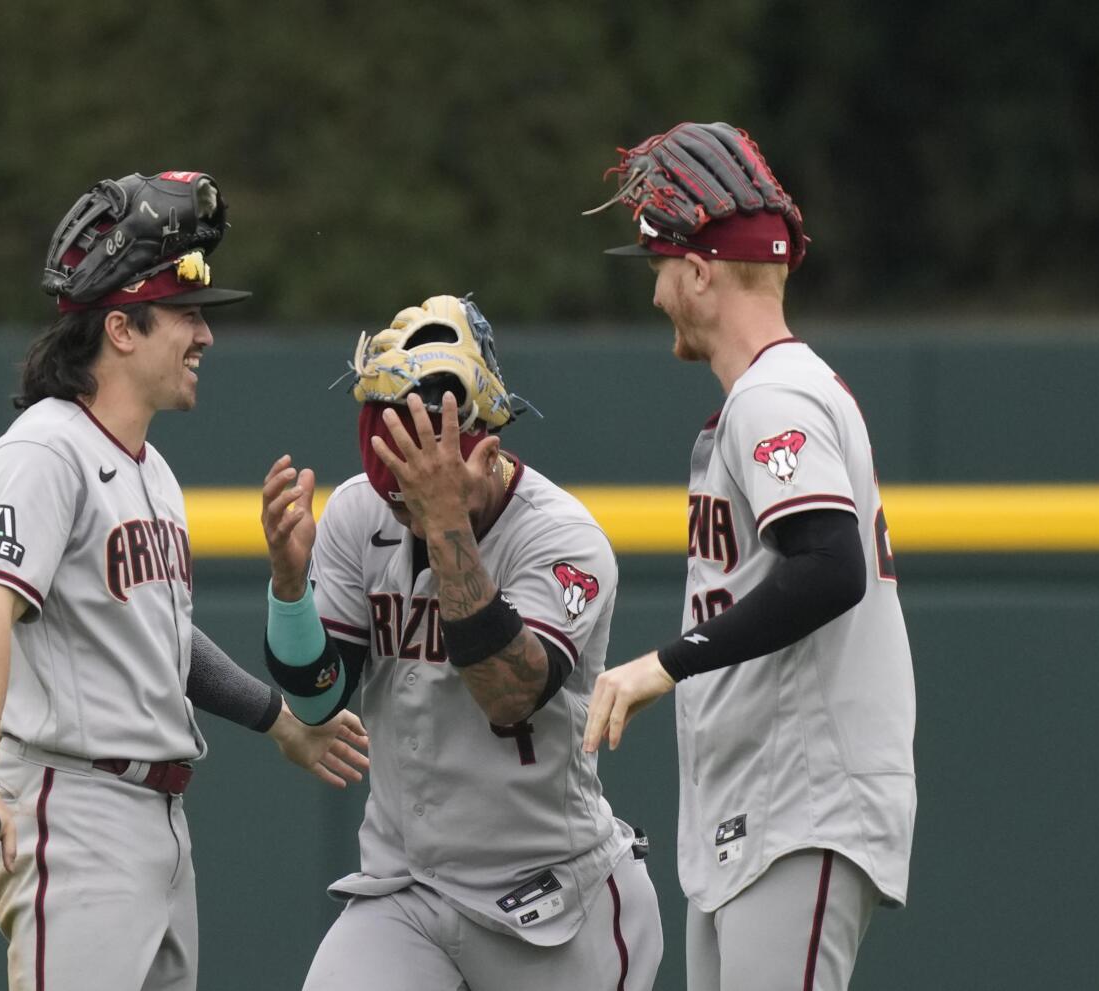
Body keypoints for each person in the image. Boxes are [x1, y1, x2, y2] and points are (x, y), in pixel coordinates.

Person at [0, 170, 369, 991]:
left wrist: (278, 718)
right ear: (122, 329)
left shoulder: (151, 469)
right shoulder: (44, 451)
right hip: (78, 806)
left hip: (157, 818)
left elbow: (160, 639)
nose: (204, 336)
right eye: (185, 312)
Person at [581, 123, 917, 991]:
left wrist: (665, 663)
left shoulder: (774, 395)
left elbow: (829, 566)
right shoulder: (774, 395)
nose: (656, 294)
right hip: (762, 806)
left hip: (800, 803)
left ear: (699, 272)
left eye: (659, 267)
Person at [260, 294, 663, 991]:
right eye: (400, 498)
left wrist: (445, 521)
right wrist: (290, 588)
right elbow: (319, 698)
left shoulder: (564, 538)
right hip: (408, 887)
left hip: (554, 900)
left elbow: (508, 694)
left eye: (426, 489)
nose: (408, 507)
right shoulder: (362, 509)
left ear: (489, 449)